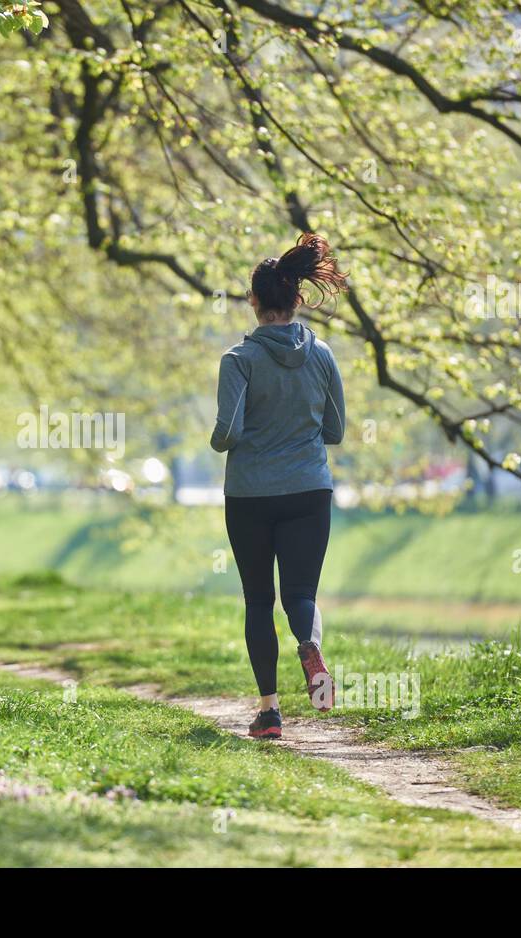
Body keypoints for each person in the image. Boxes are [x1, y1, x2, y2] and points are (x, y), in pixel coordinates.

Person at [210, 233, 347, 739]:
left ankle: (269, 712)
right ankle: (310, 649)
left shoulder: (238, 360)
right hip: (310, 491)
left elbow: (227, 433)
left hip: (250, 496)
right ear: (296, 299)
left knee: (257, 600)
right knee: (301, 594)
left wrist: (222, 437)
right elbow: (334, 431)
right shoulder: (323, 355)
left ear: (254, 301)